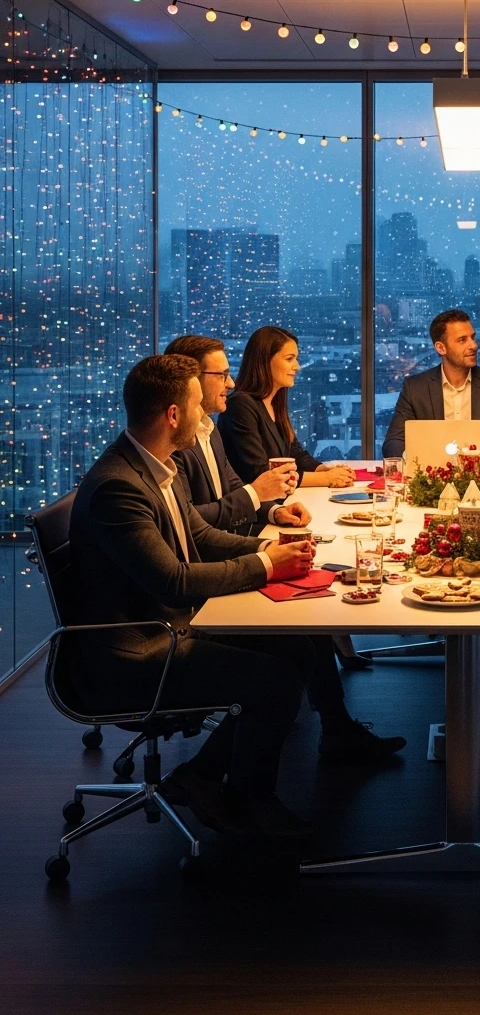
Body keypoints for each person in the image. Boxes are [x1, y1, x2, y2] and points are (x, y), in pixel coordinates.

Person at [68, 354, 324, 841]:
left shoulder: (156, 466)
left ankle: (204, 776)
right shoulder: (119, 488)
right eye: (194, 405)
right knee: (272, 680)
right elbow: (174, 582)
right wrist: (268, 567)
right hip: (135, 651)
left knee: (297, 648)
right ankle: (250, 805)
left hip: (167, 624)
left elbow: (200, 535)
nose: (205, 415)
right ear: (172, 414)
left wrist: (267, 547)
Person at [164, 334, 311, 535]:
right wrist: (256, 493)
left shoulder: (209, 428)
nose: (231, 384)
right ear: (192, 381)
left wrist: (276, 512)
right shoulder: (172, 440)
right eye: (222, 375)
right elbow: (189, 520)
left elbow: (232, 485)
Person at [382, 309, 480, 463]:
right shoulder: (415, 388)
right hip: (431, 478)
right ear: (441, 348)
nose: (473, 345)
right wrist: (421, 459)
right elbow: (393, 443)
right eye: (462, 340)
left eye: (473, 337)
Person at [218, 327, 356, 489]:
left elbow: (296, 454)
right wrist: (326, 478)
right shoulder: (240, 405)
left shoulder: (274, 403)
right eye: (290, 359)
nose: (297, 366)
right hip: (258, 510)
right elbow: (260, 473)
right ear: (265, 360)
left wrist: (326, 470)